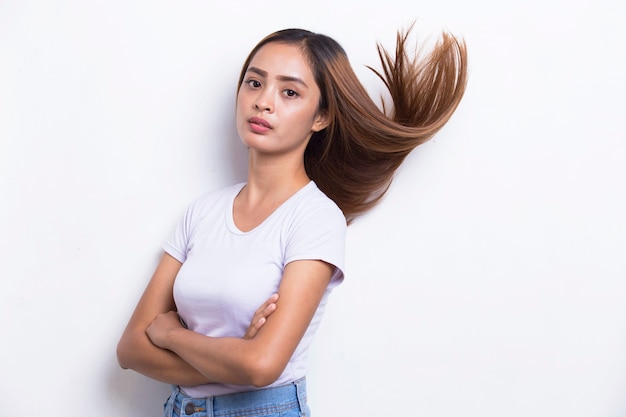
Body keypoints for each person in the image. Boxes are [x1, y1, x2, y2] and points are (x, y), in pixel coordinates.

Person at [117, 25, 467, 417]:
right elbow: (130, 348)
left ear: (321, 117)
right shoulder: (202, 212)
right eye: (254, 83)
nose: (263, 102)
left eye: (289, 92)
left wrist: (170, 334)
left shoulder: (316, 219)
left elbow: (262, 366)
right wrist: (235, 357)